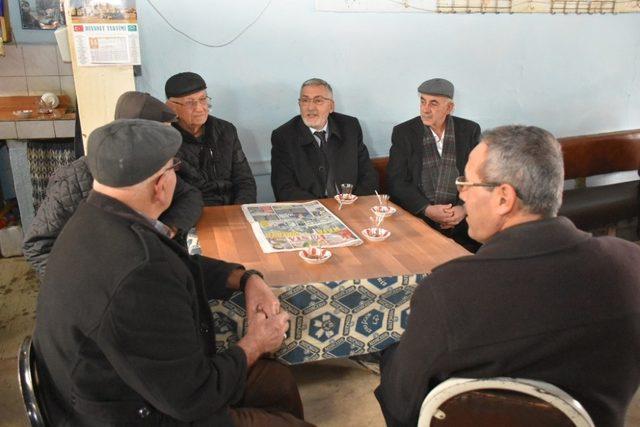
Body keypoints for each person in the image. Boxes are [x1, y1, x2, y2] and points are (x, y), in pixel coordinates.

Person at [33, 119, 313, 426]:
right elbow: (194, 397)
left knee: (278, 382)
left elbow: (176, 266)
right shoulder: (137, 271)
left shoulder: (93, 218)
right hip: (138, 412)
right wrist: (257, 343)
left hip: (129, 387)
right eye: (174, 168)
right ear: (160, 184)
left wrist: (245, 278)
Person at [375, 125, 640, 427]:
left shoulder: (447, 290)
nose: (461, 193)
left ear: (504, 198)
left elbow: (401, 409)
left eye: (467, 183)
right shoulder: (630, 266)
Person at [23, 91, 203, 279]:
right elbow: (37, 247)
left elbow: (190, 196)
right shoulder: (75, 180)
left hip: (146, 267)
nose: (165, 144)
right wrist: (90, 284)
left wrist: (167, 228)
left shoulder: (155, 168)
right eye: (158, 134)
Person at [387, 78, 481, 251]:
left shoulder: (469, 131)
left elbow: (480, 179)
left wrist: (464, 209)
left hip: (462, 223)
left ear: (449, 108)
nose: (425, 109)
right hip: (419, 220)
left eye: (433, 104)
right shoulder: (404, 132)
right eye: (422, 101)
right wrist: (427, 209)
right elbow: (397, 182)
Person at [270, 78, 378, 201]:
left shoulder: (350, 127)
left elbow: (368, 176)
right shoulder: (284, 136)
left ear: (331, 106)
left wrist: (353, 203)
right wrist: (321, 208)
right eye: (305, 100)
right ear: (299, 104)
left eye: (318, 101)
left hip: (351, 205)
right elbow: (284, 188)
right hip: (311, 211)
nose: (310, 107)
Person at [165, 72, 257, 206]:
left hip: (232, 207)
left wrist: (239, 209)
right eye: (190, 103)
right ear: (171, 107)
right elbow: (176, 195)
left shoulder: (226, 130)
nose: (200, 108)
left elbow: (244, 180)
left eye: (203, 99)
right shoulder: (166, 139)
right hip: (194, 213)